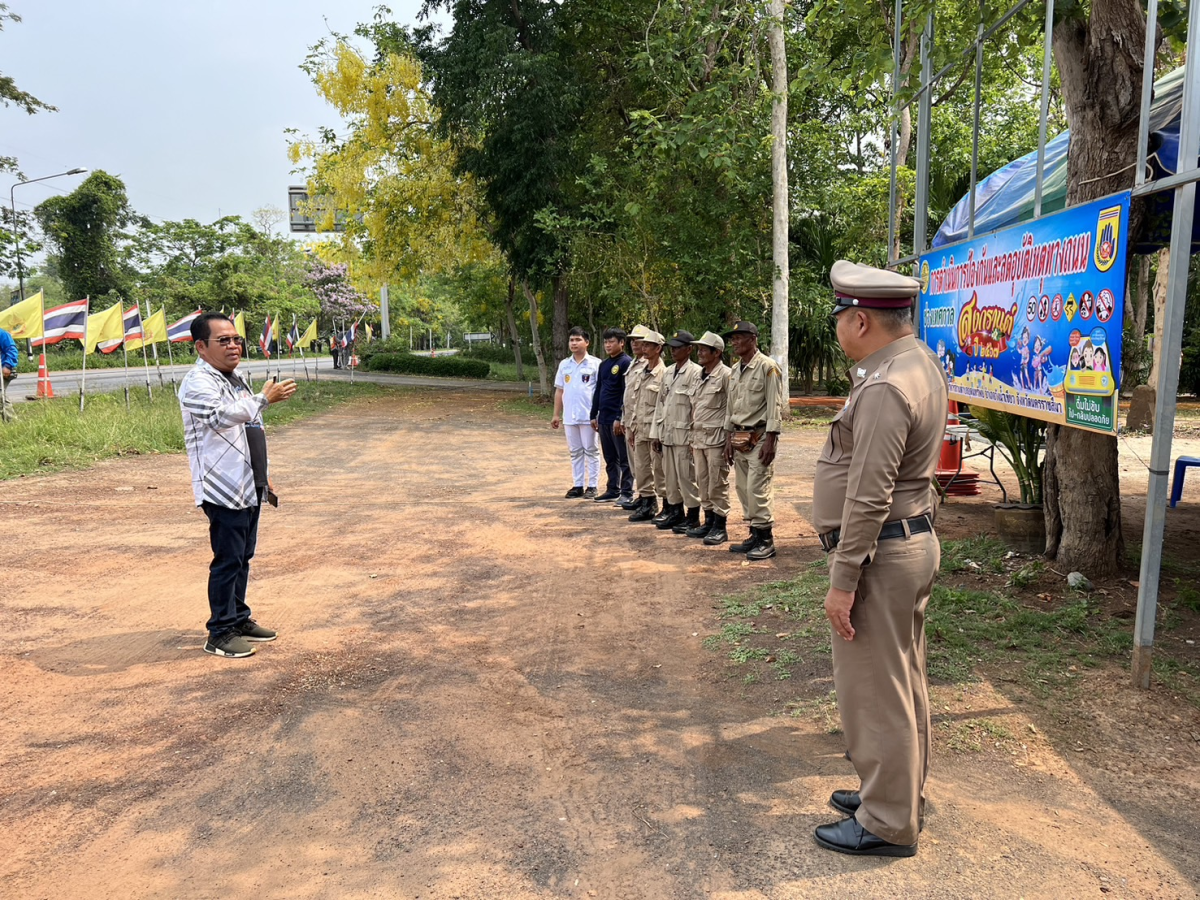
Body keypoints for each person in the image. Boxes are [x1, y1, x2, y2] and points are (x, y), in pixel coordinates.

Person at [811, 260, 948, 858]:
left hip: (881, 555)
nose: (838, 328)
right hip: (903, 545)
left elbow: (870, 493)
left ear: (860, 319)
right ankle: (895, 791)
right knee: (903, 680)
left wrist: (843, 580)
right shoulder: (914, 363)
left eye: (841, 317)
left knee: (876, 690)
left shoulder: (888, 383)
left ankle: (888, 820)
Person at [179, 312, 297, 659]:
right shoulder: (197, 382)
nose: (233, 345)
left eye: (236, 339)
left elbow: (251, 428)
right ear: (201, 347)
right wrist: (263, 399)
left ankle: (239, 618)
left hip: (247, 483)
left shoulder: (235, 379)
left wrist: (264, 473)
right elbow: (218, 417)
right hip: (221, 486)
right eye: (223, 340)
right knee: (228, 559)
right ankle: (219, 632)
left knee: (243, 556)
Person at [722, 321, 786, 560]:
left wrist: (771, 440)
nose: (734, 342)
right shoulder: (736, 370)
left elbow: (774, 406)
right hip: (739, 438)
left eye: (739, 337)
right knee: (743, 488)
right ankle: (754, 534)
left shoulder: (768, 367)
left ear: (753, 338)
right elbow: (731, 407)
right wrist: (728, 437)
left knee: (757, 488)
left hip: (759, 437)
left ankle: (766, 539)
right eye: (732, 338)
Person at [650, 330, 702, 532]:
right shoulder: (669, 372)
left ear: (689, 349)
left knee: (686, 477)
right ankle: (675, 512)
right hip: (667, 434)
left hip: (684, 436)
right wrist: (656, 434)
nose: (674, 350)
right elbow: (660, 405)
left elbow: (696, 408)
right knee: (670, 478)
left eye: (678, 347)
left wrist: (693, 438)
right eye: (672, 346)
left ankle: (693, 516)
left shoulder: (695, 372)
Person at [689, 331, 733, 543]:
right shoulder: (699, 375)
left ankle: (720, 526)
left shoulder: (726, 375)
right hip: (698, 439)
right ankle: (708, 522)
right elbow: (695, 408)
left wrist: (729, 439)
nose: (700, 353)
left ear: (717, 353)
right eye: (699, 349)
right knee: (702, 481)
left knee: (717, 483)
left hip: (716, 440)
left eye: (704, 350)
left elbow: (732, 408)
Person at [551, 326, 601, 498]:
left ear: (587, 342)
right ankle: (578, 485)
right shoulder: (565, 364)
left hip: (589, 416)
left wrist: (597, 414)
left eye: (578, 339)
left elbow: (600, 391)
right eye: (571, 340)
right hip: (570, 416)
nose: (574, 343)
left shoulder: (596, 364)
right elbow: (559, 390)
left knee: (591, 450)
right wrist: (556, 414)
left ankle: (592, 486)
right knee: (575, 451)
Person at [589, 327, 633, 502]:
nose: (607, 345)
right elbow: (599, 389)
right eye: (605, 342)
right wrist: (594, 414)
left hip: (617, 419)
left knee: (624, 457)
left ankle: (627, 492)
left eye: (611, 341)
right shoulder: (604, 364)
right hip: (603, 417)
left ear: (622, 343)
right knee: (610, 457)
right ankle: (612, 489)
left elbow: (626, 392)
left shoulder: (625, 363)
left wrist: (619, 417)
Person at [627, 330, 667, 522]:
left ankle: (668, 506)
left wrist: (659, 433)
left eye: (648, 345)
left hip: (655, 430)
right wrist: (632, 426)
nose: (643, 348)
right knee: (641, 467)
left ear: (658, 349)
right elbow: (637, 402)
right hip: (640, 427)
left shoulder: (664, 374)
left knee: (659, 469)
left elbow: (664, 406)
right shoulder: (642, 372)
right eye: (643, 345)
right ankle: (647, 502)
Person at [0, 326, 17, 422]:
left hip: (3, 369)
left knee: (0, 396)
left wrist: (7, 365)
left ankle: (12, 422)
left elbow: (11, 349)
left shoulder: (2, 334)